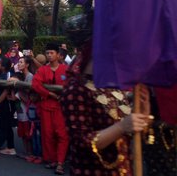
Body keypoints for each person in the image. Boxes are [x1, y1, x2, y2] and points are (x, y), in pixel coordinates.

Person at [61, 43, 152, 175]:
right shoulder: (75, 90)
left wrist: (143, 113)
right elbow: (82, 141)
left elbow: (132, 133)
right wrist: (121, 127)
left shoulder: (113, 86)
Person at [32, 43, 69, 175]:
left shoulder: (66, 69)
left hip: (61, 107)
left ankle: (60, 162)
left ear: (58, 55)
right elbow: (36, 84)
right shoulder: (43, 70)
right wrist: (49, 94)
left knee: (62, 135)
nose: (49, 55)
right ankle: (52, 160)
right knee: (47, 134)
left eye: (52, 53)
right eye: (47, 53)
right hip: (46, 106)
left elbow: (72, 84)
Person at [0, 57, 17, 156]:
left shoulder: (9, 75)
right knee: (7, 126)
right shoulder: (1, 75)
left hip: (7, 104)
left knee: (4, 126)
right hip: (2, 104)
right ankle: (11, 147)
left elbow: (6, 91)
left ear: (3, 66)